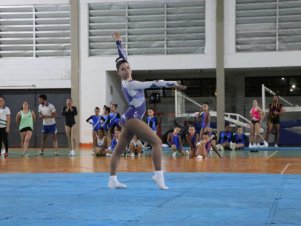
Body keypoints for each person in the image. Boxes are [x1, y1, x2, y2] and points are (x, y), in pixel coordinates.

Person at [108, 32, 186, 190]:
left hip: (129, 117)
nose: (127, 70)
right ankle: (158, 175)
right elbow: (154, 84)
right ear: (118, 72)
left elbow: (123, 56)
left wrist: (118, 43)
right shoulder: (131, 84)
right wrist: (173, 83)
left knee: (119, 150)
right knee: (157, 142)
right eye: (123, 69)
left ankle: (112, 180)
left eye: (128, 67)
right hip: (132, 119)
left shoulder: (127, 80)